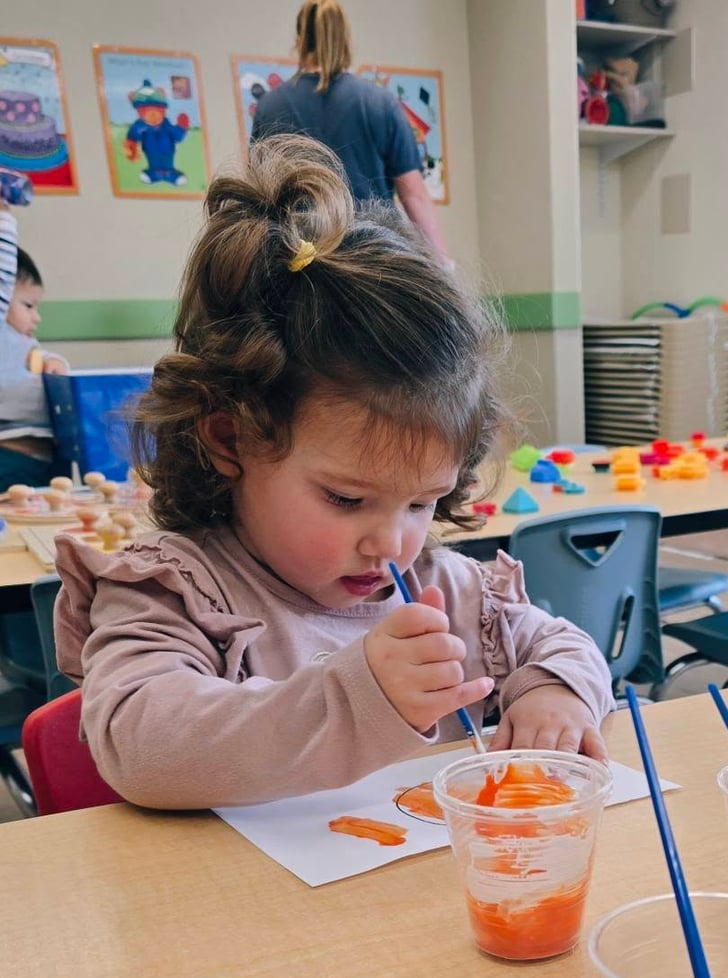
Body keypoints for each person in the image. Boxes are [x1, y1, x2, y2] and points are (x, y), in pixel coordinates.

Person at [54, 135, 613, 811]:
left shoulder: (443, 588)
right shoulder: (176, 593)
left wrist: (554, 689)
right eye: (347, 499)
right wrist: (357, 697)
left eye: (421, 503)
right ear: (232, 439)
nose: (393, 543)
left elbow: (562, 642)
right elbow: (143, 746)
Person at [250, 0, 449, 261]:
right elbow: (415, 197)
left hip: (302, 263)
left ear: (299, 42)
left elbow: (259, 199)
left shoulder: (270, 108)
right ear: (346, 41)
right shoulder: (379, 103)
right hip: (374, 262)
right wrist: (444, 267)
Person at [0, 193, 67, 488]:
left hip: (45, 461)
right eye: (28, 305)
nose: (36, 317)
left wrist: (55, 361)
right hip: (10, 459)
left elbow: (43, 359)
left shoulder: (25, 343)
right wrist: (4, 218)